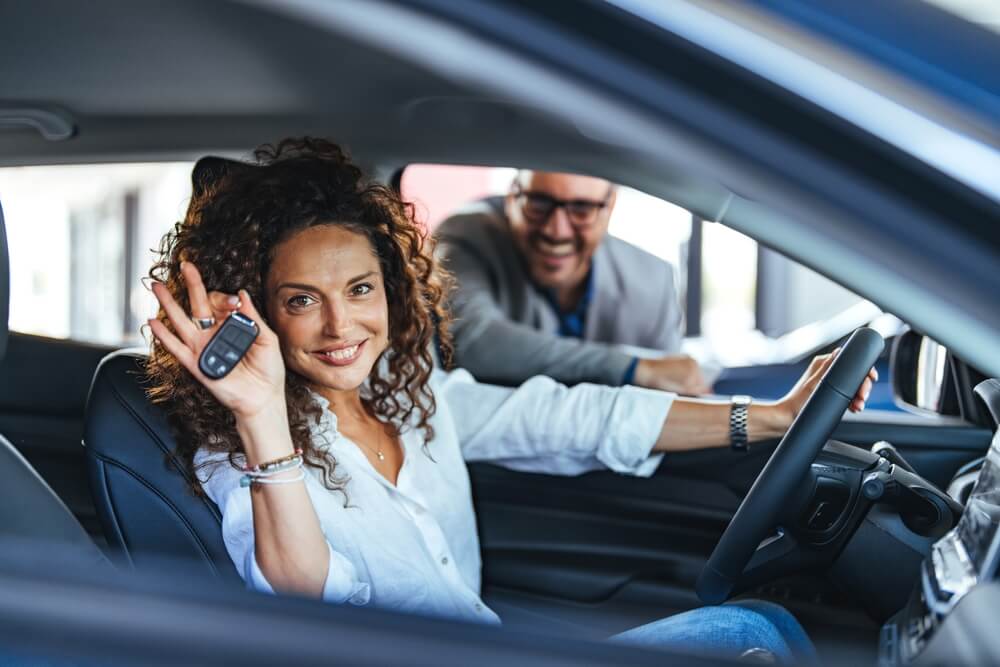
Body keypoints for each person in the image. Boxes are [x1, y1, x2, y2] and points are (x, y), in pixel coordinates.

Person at [145, 138, 873, 664]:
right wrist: (263, 412)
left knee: (759, 627)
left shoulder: (408, 393)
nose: (342, 327)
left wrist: (770, 416)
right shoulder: (240, 444)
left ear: (392, 291)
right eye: (303, 300)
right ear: (261, 312)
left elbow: (565, 416)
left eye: (361, 290)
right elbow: (305, 592)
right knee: (753, 636)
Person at [434, 170, 709, 394]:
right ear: (512, 197)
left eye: (581, 208)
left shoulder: (652, 280)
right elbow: (474, 341)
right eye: (539, 204)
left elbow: (671, 389)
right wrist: (633, 368)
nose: (557, 231)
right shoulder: (467, 236)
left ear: (609, 207)